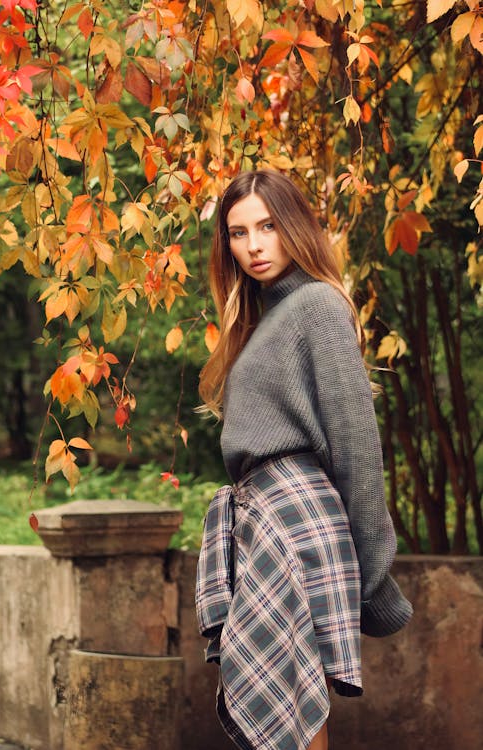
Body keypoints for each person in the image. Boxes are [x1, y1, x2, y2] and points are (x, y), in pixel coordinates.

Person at [195, 169, 413, 750]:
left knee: (295, 710)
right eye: (238, 233)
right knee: (287, 709)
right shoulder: (261, 321)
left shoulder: (317, 304)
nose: (254, 245)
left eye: (268, 226)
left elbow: (356, 443)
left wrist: (373, 573)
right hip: (266, 519)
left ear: (293, 225)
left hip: (298, 523)